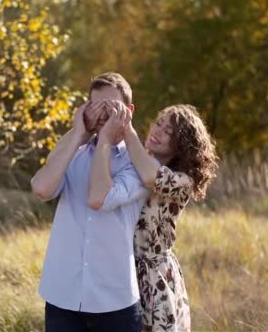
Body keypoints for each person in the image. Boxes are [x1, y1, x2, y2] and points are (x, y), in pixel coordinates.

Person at [31, 72, 146, 331]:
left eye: (112, 107)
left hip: (115, 299)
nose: (104, 115)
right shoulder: (73, 152)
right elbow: (40, 189)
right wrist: (77, 133)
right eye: (97, 107)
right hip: (62, 293)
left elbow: (100, 199)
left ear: (129, 111)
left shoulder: (138, 162)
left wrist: (105, 140)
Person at [91, 102, 219, 331]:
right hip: (119, 269)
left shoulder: (183, 182)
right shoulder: (135, 163)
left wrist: (127, 129)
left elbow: (153, 177)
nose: (157, 131)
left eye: (168, 132)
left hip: (152, 277)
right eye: (158, 124)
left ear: (182, 146)